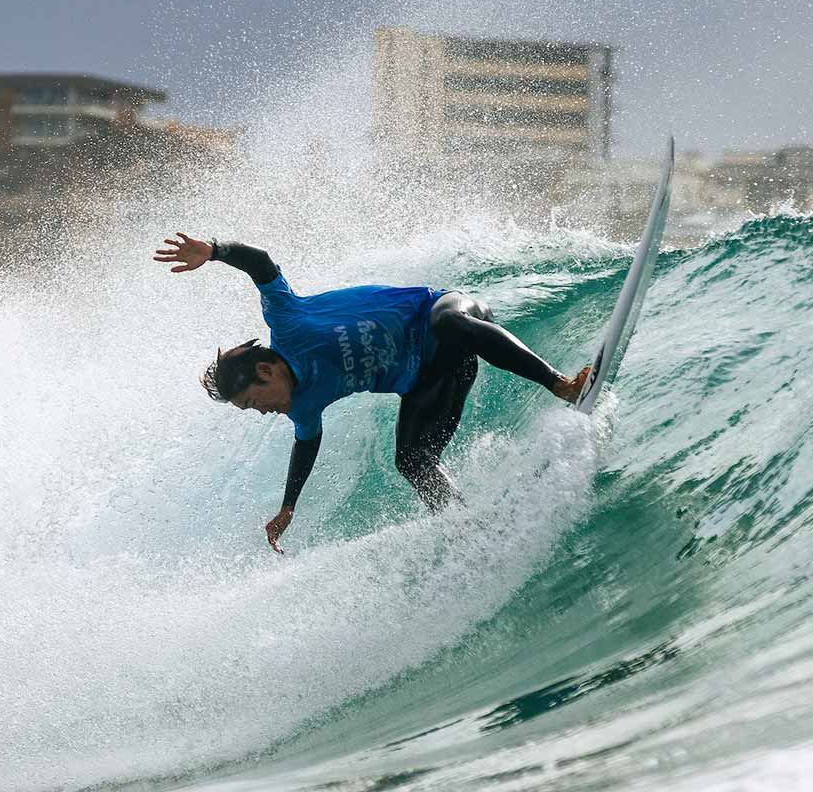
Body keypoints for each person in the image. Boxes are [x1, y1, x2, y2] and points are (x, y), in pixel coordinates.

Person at [154, 232, 589, 553]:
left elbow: (262, 264)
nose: (262, 413)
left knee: (449, 326)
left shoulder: (286, 321)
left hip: (446, 315)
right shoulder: (302, 405)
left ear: (265, 370)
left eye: (253, 402)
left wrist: (214, 253)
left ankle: (561, 384)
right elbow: (306, 446)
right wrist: (288, 507)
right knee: (411, 460)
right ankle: (469, 532)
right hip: (432, 376)